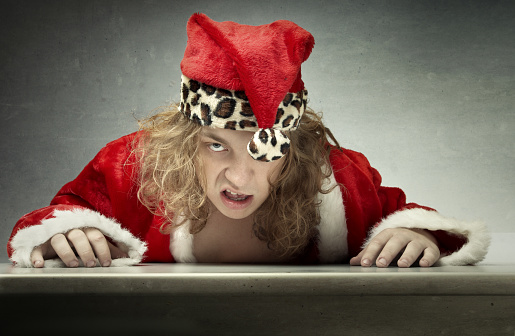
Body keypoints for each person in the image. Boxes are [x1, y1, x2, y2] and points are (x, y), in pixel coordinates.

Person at [7, 13, 489, 268]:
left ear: (294, 147)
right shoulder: (134, 166)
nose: (239, 177)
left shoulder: (338, 181)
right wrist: (62, 232)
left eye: (265, 150)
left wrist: (416, 233)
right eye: (216, 144)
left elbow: (409, 219)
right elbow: (62, 210)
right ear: (183, 138)